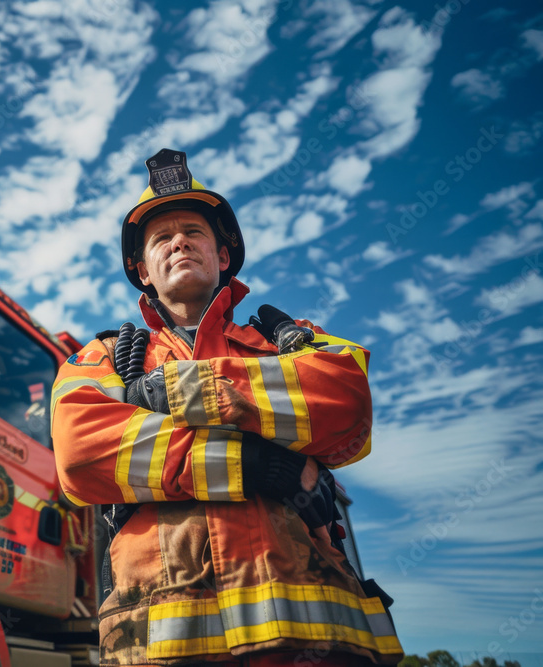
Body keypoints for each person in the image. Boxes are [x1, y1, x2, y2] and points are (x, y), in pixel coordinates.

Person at [51, 149, 403, 666]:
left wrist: (160, 396)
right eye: (160, 238)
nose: (179, 242)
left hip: (318, 642)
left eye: (193, 232)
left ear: (222, 256)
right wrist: (264, 464)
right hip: (165, 644)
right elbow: (81, 452)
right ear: (142, 270)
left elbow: (346, 402)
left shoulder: (292, 338)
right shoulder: (100, 356)